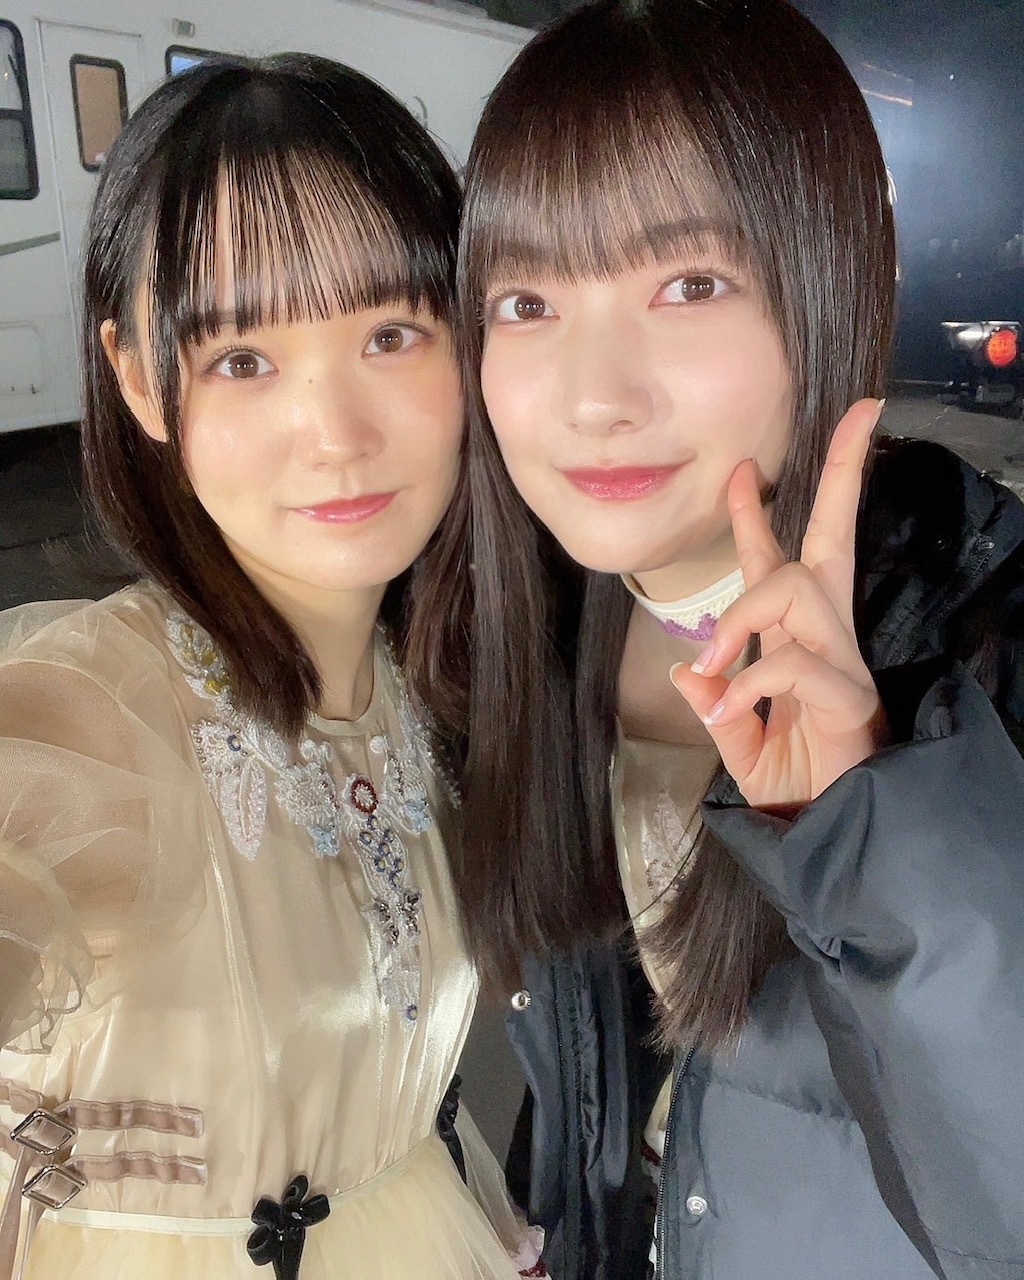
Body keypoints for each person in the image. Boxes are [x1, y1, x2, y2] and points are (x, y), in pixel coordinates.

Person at [443, 1, 1024, 1277]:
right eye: (527, 300)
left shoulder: (987, 620)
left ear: (831, 284)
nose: (594, 396)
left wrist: (872, 829)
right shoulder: (534, 619)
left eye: (689, 284)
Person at [0, 54, 544, 1280]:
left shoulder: (420, 686)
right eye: (243, 359)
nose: (336, 434)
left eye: (390, 333)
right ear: (141, 380)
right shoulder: (91, 708)